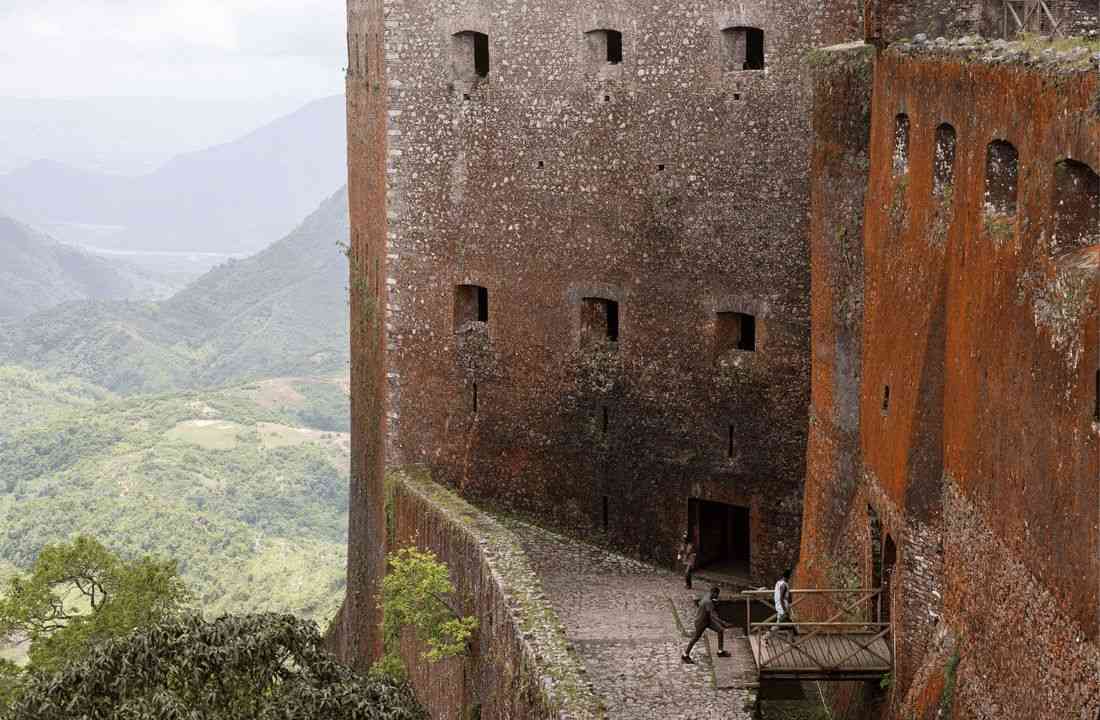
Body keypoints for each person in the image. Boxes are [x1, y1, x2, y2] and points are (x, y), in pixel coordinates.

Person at [681, 586, 732, 664]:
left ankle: (720, 651)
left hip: (707, 620)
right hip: (701, 622)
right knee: (695, 638)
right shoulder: (708, 602)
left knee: (720, 630)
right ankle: (685, 655)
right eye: (716, 595)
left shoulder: (707, 596)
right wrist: (722, 622)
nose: (717, 597)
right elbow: (713, 615)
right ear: (714, 593)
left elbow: (699, 603)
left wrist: (712, 604)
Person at [766, 570, 794, 643]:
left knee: (790, 625)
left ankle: (791, 641)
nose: (789, 578)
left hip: (779, 606)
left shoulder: (778, 583)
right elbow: (781, 598)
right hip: (782, 607)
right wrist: (784, 610)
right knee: (777, 626)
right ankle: (765, 637)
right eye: (789, 577)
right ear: (787, 577)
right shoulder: (784, 585)